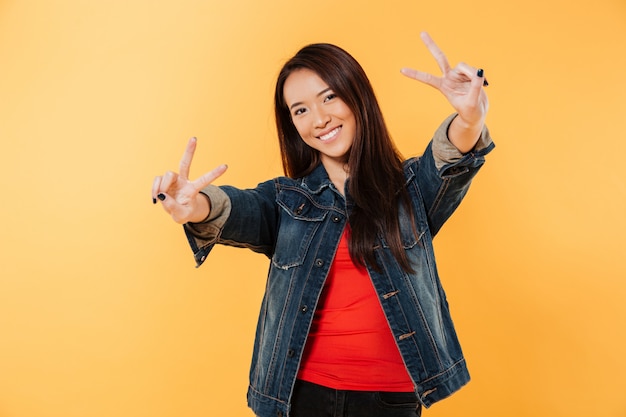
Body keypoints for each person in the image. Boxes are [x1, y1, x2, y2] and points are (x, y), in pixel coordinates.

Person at [152, 32, 494, 417]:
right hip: (301, 396)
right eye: (300, 110)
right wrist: (193, 203)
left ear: (356, 95)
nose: (319, 119)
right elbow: (238, 209)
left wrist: (470, 118)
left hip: (390, 400)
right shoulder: (287, 201)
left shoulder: (409, 189)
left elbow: (450, 158)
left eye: (329, 96)